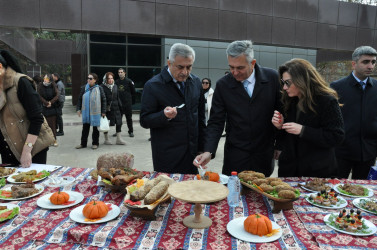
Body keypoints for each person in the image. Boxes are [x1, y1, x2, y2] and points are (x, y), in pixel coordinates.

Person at [194, 40, 282, 177]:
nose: (234, 72)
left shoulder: (272, 78)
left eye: (240, 68)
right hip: (235, 155)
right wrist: (208, 151)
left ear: (252, 63)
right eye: (231, 67)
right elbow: (216, 122)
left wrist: (280, 144)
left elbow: (282, 112)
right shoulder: (223, 85)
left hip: (263, 154)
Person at [272, 58, 344, 177]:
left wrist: (303, 130)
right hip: (289, 170)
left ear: (302, 80)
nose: (284, 87)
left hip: (316, 173)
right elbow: (287, 135)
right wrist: (280, 126)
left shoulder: (327, 101)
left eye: (287, 83)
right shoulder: (289, 99)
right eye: (283, 82)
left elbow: (336, 136)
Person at [140, 43, 206, 174]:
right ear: (169, 63)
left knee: (192, 191)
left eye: (189, 67)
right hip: (167, 155)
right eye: (180, 67)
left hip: (192, 155)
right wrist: (163, 116)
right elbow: (144, 120)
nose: (185, 72)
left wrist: (202, 148)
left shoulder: (196, 82)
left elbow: (200, 117)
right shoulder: (153, 85)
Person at [0, 50, 54, 167]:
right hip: (7, 149)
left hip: (33, 149)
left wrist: (27, 151)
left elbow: (37, 119)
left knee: (32, 183)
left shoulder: (21, 82)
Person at [330, 46, 377, 179]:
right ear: (353, 64)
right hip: (341, 152)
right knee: (335, 191)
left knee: (362, 193)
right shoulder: (336, 87)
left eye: (373, 62)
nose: (370, 66)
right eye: (366, 62)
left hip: (368, 153)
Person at [75, 73, 106, 150]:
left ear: (95, 80)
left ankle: (95, 143)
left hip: (96, 112)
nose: (88, 79)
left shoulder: (99, 88)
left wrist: (103, 111)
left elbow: (104, 100)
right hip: (86, 112)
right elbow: (79, 99)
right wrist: (78, 109)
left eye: (90, 78)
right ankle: (83, 143)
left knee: (95, 128)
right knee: (85, 128)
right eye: (88, 78)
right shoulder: (84, 88)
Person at [101, 72, 125, 145]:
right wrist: (103, 111)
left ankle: (119, 139)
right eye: (109, 78)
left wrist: (121, 107)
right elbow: (101, 100)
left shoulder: (115, 86)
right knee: (106, 124)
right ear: (106, 79)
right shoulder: (102, 87)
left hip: (116, 107)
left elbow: (118, 97)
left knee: (119, 123)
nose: (111, 80)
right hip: (107, 109)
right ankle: (106, 139)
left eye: (112, 78)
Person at [37, 74, 59, 147]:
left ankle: (54, 140)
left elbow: (57, 95)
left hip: (52, 107)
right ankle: (47, 141)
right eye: (44, 77)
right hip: (43, 107)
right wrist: (46, 103)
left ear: (50, 79)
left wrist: (51, 102)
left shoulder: (53, 85)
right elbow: (38, 95)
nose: (45, 79)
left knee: (52, 125)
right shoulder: (40, 85)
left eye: (46, 78)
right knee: (44, 126)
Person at [115, 68, 136, 137]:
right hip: (119, 104)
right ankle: (118, 132)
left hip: (127, 103)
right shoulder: (116, 82)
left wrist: (131, 101)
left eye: (121, 72)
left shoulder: (129, 81)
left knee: (129, 118)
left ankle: (131, 131)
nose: (120, 73)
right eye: (119, 72)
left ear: (125, 73)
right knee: (118, 119)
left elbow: (133, 92)